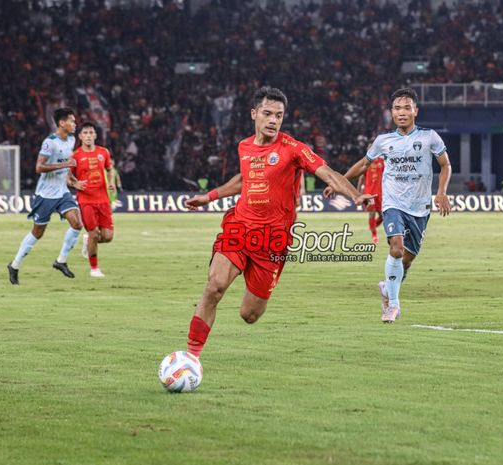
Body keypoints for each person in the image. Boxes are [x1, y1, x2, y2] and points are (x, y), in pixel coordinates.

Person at [182, 86, 374, 358]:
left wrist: (355, 195)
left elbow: (328, 173)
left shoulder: (293, 149)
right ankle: (190, 359)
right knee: (214, 286)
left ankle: (250, 289)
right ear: (254, 114)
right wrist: (209, 196)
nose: (273, 120)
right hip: (239, 227)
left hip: (272, 241)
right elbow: (243, 179)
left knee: (249, 315)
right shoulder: (244, 146)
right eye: (268, 113)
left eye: (279, 115)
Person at [324, 88, 452, 323]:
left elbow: (445, 165)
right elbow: (363, 164)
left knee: (407, 260)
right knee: (396, 248)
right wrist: (338, 181)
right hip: (393, 202)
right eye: (396, 108)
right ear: (391, 112)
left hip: (420, 206)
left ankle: (387, 288)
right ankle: (393, 305)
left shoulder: (429, 137)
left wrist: (441, 192)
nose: (401, 113)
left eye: (406, 108)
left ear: (416, 111)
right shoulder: (383, 141)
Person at [7, 108, 86, 285]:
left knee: (77, 223)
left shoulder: (72, 140)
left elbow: (65, 169)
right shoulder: (50, 143)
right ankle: (15, 265)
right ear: (62, 123)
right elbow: (39, 167)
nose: (75, 124)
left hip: (62, 192)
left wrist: (72, 181)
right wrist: (65, 164)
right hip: (45, 195)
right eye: (72, 121)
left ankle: (61, 261)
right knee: (37, 233)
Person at [70, 122, 115, 277]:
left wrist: (111, 182)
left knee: (108, 237)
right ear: (80, 136)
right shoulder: (75, 155)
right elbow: (67, 177)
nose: (88, 136)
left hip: (103, 200)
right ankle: (94, 269)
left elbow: (110, 169)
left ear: (95, 135)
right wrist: (75, 183)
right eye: (85, 133)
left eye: (91, 133)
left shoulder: (104, 152)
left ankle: (88, 241)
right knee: (94, 234)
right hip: (86, 200)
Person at [357, 157, 385, 243]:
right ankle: (374, 236)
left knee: (383, 215)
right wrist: (358, 193)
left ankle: (372, 226)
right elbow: (361, 178)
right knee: (372, 214)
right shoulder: (366, 163)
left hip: (380, 193)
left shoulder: (382, 162)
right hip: (369, 194)